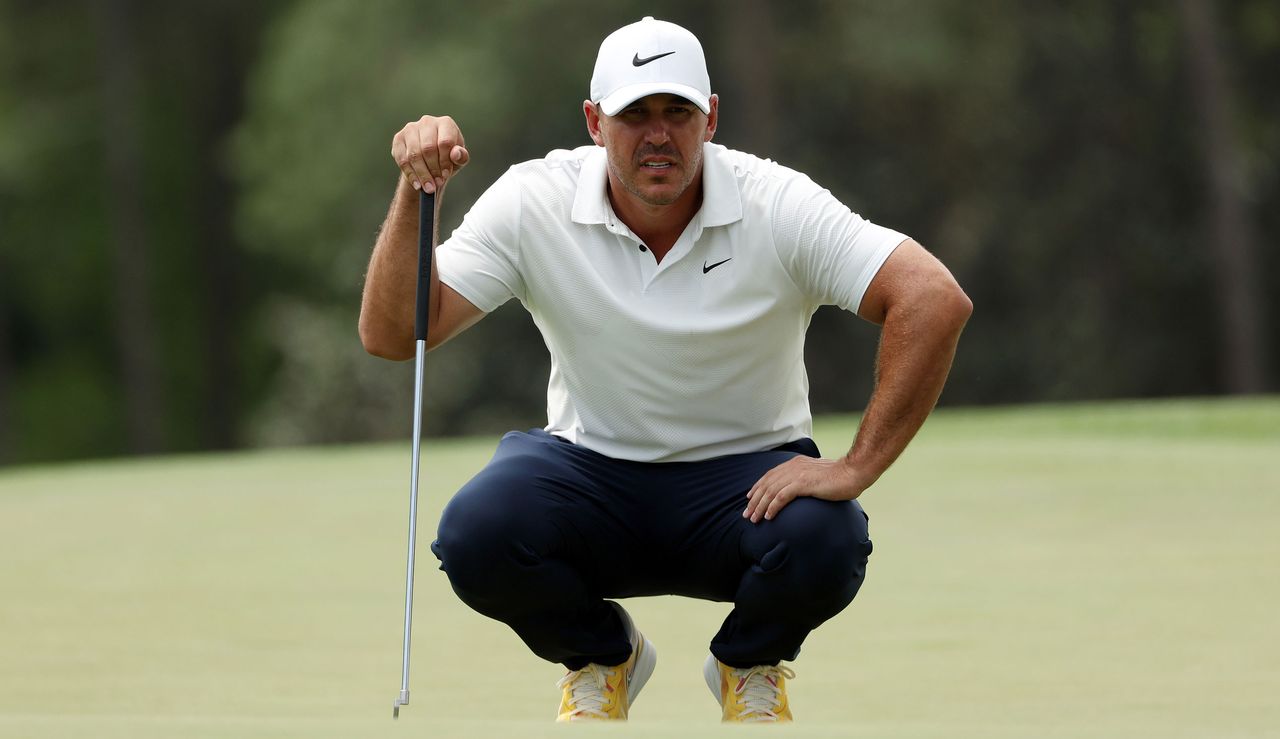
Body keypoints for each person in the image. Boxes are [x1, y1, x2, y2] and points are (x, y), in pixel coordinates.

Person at [360, 16, 971, 724]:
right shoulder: (536, 200)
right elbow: (394, 334)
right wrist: (414, 190)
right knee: (478, 532)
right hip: (590, 473)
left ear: (710, 117)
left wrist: (856, 467)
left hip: (746, 485)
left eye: (677, 112)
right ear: (595, 122)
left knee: (826, 540)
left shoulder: (775, 202)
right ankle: (601, 655)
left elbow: (932, 298)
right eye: (634, 114)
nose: (658, 134)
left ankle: (747, 662)